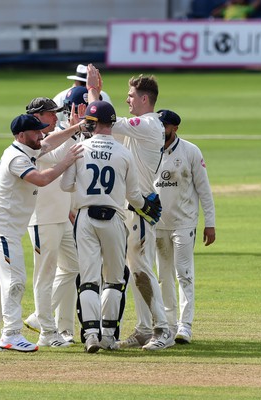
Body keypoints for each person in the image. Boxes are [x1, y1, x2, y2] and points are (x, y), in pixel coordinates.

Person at [0, 113, 84, 352]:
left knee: (0, 283)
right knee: (15, 281)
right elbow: (42, 179)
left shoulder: (27, 149)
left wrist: (76, 127)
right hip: (2, 229)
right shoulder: (16, 158)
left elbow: (50, 142)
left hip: (7, 229)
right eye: (36, 132)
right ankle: (11, 334)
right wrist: (65, 162)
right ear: (21, 135)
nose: (41, 135)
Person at [60, 100, 162, 353]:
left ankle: (91, 334)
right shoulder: (124, 153)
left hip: (85, 218)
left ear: (91, 123)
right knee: (115, 280)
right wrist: (146, 207)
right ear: (113, 123)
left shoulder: (80, 148)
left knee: (88, 280)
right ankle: (107, 335)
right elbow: (135, 196)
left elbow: (66, 186)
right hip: (114, 218)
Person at [86, 64, 174, 351]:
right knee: (133, 270)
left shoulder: (148, 124)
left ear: (145, 99)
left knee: (141, 270)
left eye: (131, 95)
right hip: (129, 207)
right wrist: (95, 94)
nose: (128, 99)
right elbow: (104, 127)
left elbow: (104, 120)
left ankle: (163, 330)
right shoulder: (141, 128)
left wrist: (93, 91)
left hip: (139, 208)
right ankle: (144, 328)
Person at [23, 97, 81, 348]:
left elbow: (59, 148)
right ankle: (47, 332)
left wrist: (74, 129)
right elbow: (55, 153)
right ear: (37, 116)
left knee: (74, 266)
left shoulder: (51, 134)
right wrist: (74, 129)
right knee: (45, 275)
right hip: (42, 219)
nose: (55, 117)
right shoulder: (27, 141)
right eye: (50, 114)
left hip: (60, 216)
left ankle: (40, 316)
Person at [154, 110, 216, 344]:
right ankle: (168, 325)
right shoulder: (149, 150)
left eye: (165, 126)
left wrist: (210, 223)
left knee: (184, 274)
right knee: (163, 276)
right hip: (158, 224)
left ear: (175, 128)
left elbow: (204, 190)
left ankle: (185, 326)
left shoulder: (190, 151)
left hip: (184, 223)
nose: (161, 131)